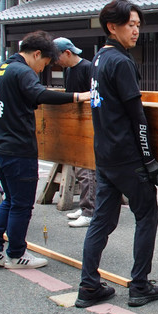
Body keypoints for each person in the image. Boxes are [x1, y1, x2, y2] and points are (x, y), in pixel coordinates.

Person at [76, 0, 158, 309]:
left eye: (139, 25)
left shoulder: (99, 58)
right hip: (128, 156)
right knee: (147, 215)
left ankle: (88, 286)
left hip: (105, 154)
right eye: (131, 25)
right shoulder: (122, 63)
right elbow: (137, 115)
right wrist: (149, 158)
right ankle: (139, 285)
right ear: (112, 27)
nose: (136, 31)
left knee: (102, 219)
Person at [0, 32, 90, 269]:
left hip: (1, 146)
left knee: (11, 200)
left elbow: (25, 98)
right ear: (37, 54)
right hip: (18, 149)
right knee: (21, 204)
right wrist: (78, 96)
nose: (41, 70)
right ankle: (17, 254)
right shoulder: (23, 71)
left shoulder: (3, 69)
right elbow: (38, 94)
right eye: (45, 64)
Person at [54, 37, 96, 228]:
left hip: (89, 123)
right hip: (76, 123)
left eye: (57, 57)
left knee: (87, 169)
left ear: (67, 53)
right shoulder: (70, 70)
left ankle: (90, 211)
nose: (56, 62)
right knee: (80, 167)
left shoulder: (87, 67)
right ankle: (85, 205)